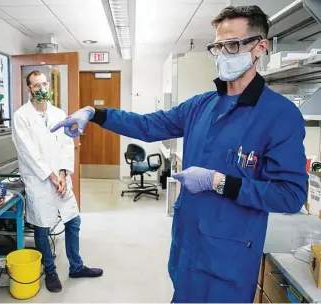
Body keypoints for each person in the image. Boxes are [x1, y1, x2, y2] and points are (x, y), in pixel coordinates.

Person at [51, 5, 308, 303]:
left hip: (228, 265)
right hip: (186, 253)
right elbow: (147, 125)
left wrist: (218, 181)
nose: (224, 53)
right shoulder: (201, 105)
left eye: (234, 45)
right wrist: (95, 113)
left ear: (259, 47)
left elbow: (290, 195)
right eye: (218, 46)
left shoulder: (279, 114)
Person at [12, 70, 103, 293]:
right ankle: (50, 271)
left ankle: (76, 266)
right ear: (29, 89)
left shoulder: (59, 113)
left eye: (45, 84)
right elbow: (28, 153)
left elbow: (66, 145)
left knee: (73, 221)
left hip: (61, 179)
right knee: (42, 228)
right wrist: (51, 177)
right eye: (36, 86)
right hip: (39, 181)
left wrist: (62, 174)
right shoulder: (21, 116)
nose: (42, 90)